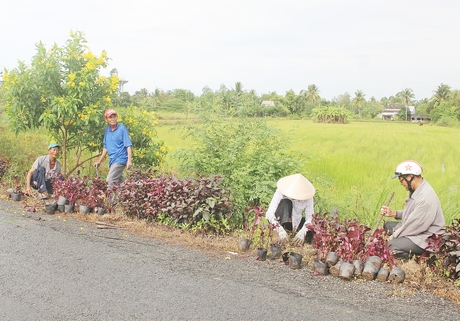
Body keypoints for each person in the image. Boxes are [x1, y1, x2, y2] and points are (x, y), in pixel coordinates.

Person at [380, 160, 445, 258]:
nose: (401, 183)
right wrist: (394, 213)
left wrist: (391, 238)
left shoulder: (425, 198)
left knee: (390, 246)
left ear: (409, 177)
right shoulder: (417, 189)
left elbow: (412, 226)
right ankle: (403, 244)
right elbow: (412, 213)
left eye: (401, 180)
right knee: (388, 226)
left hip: (427, 237)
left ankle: (420, 257)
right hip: (419, 230)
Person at [265, 173, 316, 246]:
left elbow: (310, 218)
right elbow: (269, 213)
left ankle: (295, 238)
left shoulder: (308, 197)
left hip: (295, 222)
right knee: (286, 202)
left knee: (315, 226)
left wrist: (302, 232)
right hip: (280, 221)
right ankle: (280, 236)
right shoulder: (281, 191)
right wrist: (280, 229)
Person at [94, 109, 133, 194]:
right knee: (120, 183)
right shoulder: (107, 130)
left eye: (114, 116)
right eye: (110, 117)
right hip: (112, 160)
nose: (113, 119)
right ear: (106, 119)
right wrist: (99, 161)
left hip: (120, 159)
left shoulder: (122, 129)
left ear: (117, 117)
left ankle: (110, 203)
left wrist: (129, 160)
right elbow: (105, 147)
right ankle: (123, 200)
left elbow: (128, 145)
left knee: (110, 180)